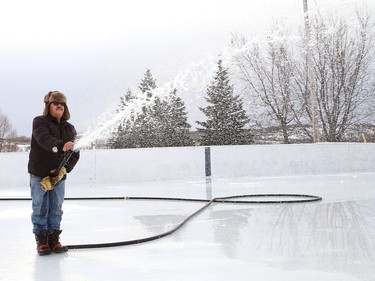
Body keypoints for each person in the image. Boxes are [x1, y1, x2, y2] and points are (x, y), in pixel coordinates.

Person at [28, 91, 80, 256]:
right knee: (40, 208)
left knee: (56, 208)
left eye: (62, 103)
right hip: (40, 175)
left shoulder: (69, 128)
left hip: (59, 176)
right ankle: (42, 241)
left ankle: (54, 240)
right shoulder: (40, 122)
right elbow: (43, 139)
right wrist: (61, 145)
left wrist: (65, 169)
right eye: (56, 103)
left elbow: (75, 153)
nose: (59, 105)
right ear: (48, 106)